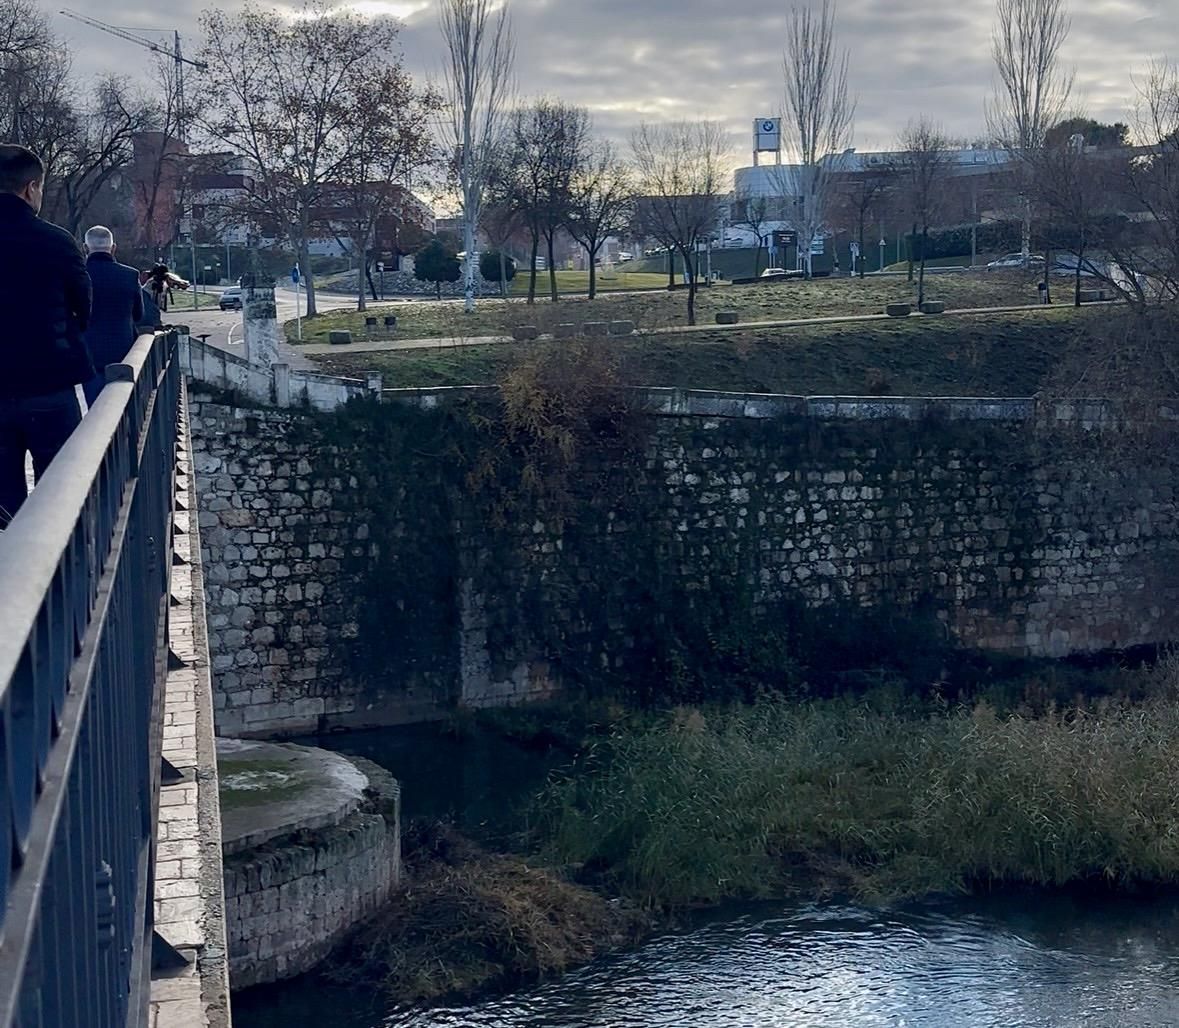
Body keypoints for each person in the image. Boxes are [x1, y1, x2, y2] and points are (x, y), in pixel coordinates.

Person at [0, 144, 92, 528]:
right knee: (60, 491)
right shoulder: (57, 241)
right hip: (49, 384)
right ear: (31, 188)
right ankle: (60, 574)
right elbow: (83, 307)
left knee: (4, 503)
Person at [81, 226, 144, 407]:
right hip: (124, 354)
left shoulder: (79, 275)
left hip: (90, 354)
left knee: (96, 411)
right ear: (113, 248)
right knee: (124, 410)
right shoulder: (130, 275)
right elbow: (139, 315)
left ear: (85, 248)